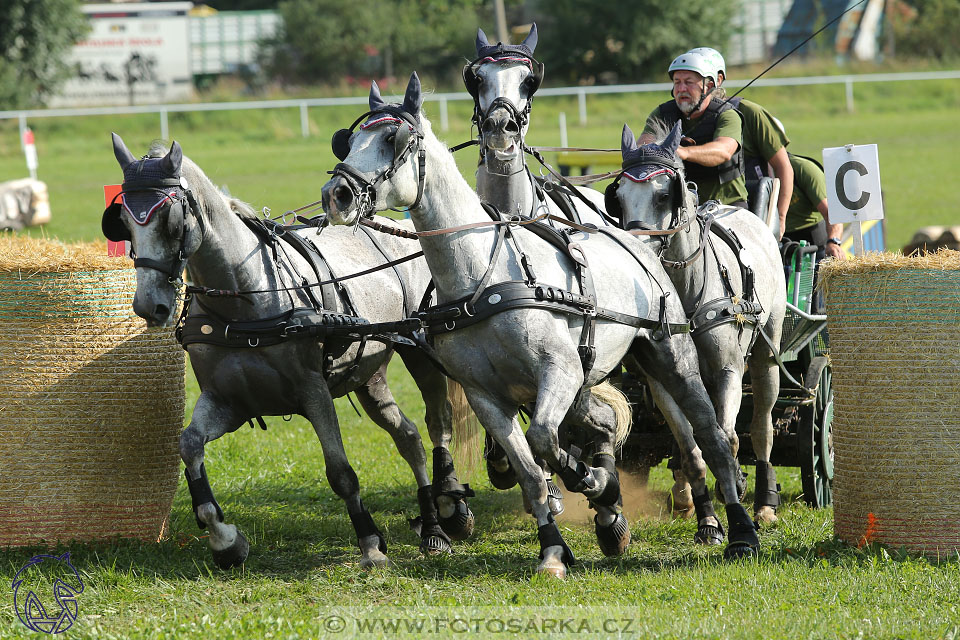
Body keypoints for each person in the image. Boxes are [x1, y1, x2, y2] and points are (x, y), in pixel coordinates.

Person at [686, 47, 796, 238]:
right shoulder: (677, 114)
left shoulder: (751, 113)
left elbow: (783, 166)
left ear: (717, 80)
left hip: (737, 210)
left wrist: (780, 217)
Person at [639, 49, 748, 209]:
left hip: (727, 208)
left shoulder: (727, 115)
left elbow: (723, 151)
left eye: (688, 82)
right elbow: (643, 148)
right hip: (678, 209)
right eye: (677, 82)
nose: (681, 88)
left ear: (708, 85)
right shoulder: (663, 114)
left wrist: (682, 152)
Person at [782, 153, 846, 261]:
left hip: (815, 250)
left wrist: (833, 242)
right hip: (777, 250)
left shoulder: (804, 170)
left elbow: (833, 215)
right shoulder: (751, 171)